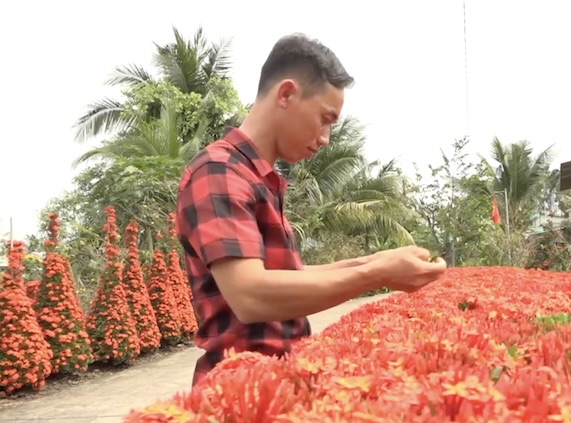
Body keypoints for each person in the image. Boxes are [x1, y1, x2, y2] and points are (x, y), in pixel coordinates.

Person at [175, 33, 447, 386]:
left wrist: (372, 262)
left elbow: (287, 274)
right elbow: (250, 295)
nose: (325, 137)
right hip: (241, 391)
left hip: (272, 384)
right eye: (325, 118)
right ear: (286, 94)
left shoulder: (254, 177)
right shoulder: (219, 171)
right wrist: (376, 274)